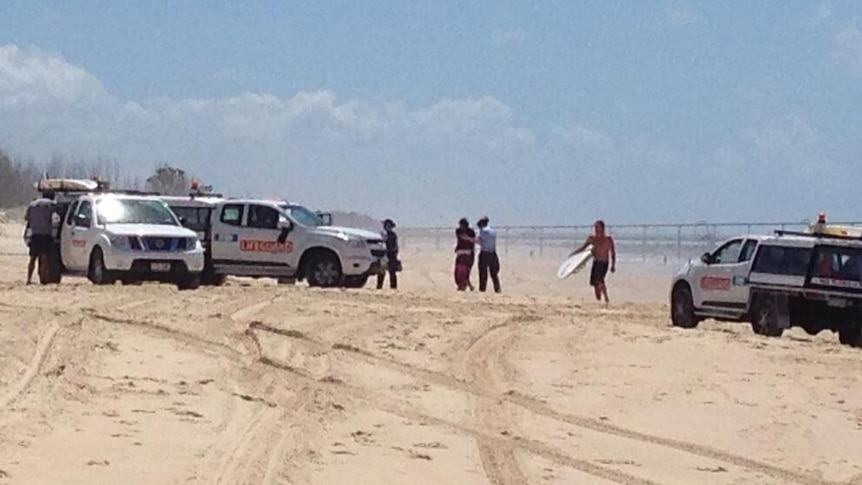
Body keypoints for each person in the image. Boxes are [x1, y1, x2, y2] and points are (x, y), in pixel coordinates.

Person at [570, 220, 616, 305]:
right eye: (595, 227)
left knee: (599, 280)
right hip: (596, 263)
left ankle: (606, 299)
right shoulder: (592, 239)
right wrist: (573, 255)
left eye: (597, 227)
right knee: (594, 283)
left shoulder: (608, 240)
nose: (596, 229)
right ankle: (600, 298)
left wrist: (613, 265)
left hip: (604, 263)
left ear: (603, 228)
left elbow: (613, 253)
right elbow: (582, 248)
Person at [24, 189, 58, 285]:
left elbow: (27, 218)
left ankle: (29, 279)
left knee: (32, 258)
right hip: (45, 234)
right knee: (44, 258)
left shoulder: (33, 204)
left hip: (35, 234)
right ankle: (43, 279)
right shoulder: (52, 204)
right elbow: (58, 216)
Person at [476, 216, 501, 293]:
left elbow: (480, 241)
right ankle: (497, 289)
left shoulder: (483, 231)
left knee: (483, 273)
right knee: (494, 274)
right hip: (493, 253)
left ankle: (482, 289)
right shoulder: (493, 231)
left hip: (484, 253)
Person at [454, 218, 476, 291]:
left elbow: (472, 241)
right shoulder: (459, 231)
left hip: (467, 252)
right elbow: (469, 240)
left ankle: (464, 285)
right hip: (463, 252)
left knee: (465, 270)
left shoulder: (469, 231)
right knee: (461, 270)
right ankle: (467, 285)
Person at [377, 219, 400, 289]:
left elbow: (395, 246)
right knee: (382, 272)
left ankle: (391, 287)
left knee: (390, 272)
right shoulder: (384, 234)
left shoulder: (389, 235)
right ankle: (380, 286)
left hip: (390, 254)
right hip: (385, 254)